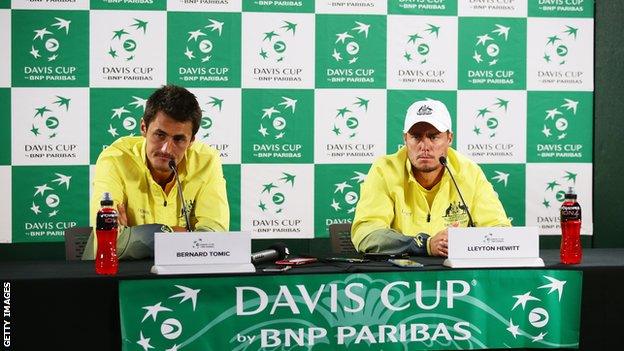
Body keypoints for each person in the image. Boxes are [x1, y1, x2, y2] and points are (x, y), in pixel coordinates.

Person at [83, 85, 229, 259]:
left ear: (191, 141)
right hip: (115, 276)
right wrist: (176, 234)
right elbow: (107, 237)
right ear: (144, 128)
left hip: (180, 276)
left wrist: (136, 236)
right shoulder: (114, 159)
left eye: (179, 139)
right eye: (160, 135)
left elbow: (215, 239)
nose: (167, 149)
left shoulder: (207, 161)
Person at [351, 99, 510, 257]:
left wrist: (463, 241)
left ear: (449, 138)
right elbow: (366, 234)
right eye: (416, 137)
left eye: (433, 137)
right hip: (400, 274)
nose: (424, 146)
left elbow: (500, 231)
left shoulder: (469, 172)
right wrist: (424, 245)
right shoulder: (384, 170)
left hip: (455, 273)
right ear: (405, 139)